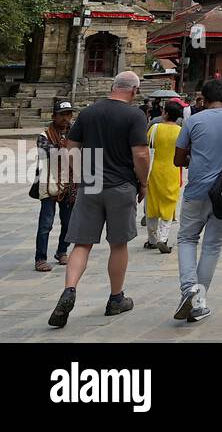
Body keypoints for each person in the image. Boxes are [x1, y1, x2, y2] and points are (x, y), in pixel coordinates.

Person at [47, 72, 149, 328]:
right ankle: (116, 298)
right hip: (121, 185)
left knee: (81, 244)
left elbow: (70, 147)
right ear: (134, 91)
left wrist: (82, 173)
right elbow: (141, 154)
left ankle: (69, 290)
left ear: (113, 87)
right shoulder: (135, 115)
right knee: (118, 244)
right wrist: (144, 182)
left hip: (90, 186)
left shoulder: (89, 112)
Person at [172, 79, 222, 325]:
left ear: (203, 99)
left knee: (187, 238)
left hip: (197, 190)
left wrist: (197, 155)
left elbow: (178, 158)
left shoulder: (192, 121)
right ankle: (199, 302)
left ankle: (189, 289)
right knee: (212, 245)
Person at [35, 100, 77, 272]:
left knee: (68, 223)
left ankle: (62, 251)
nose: (66, 118)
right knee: (46, 224)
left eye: (69, 114)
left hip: (69, 184)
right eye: (63, 115)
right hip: (49, 184)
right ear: (54, 116)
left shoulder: (74, 134)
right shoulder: (44, 136)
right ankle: (40, 258)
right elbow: (49, 155)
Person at [144, 100, 185, 254]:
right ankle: (163, 237)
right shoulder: (181, 131)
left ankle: (152, 240)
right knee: (169, 204)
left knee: (152, 205)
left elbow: (146, 146)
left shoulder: (154, 128)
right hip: (172, 171)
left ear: (165, 113)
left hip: (154, 170)